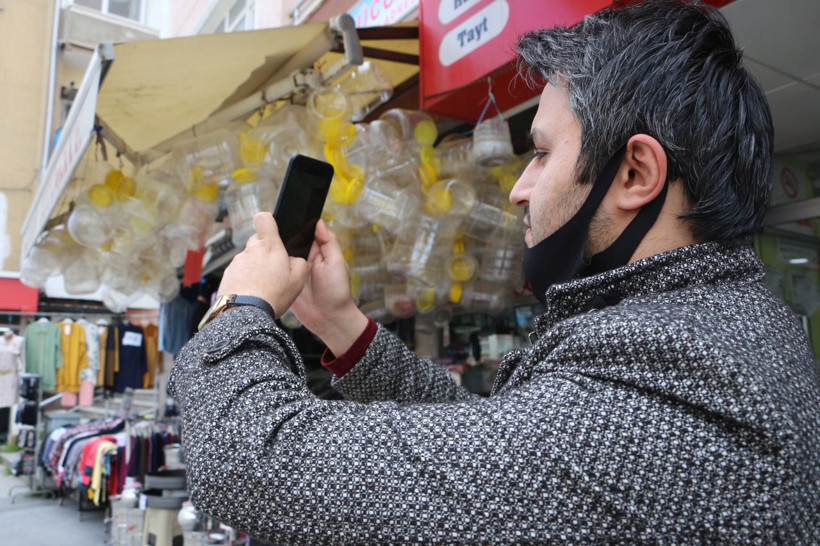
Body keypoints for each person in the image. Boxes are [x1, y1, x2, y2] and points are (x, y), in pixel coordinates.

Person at [168, 1, 820, 543]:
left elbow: (255, 467)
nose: (518, 189)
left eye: (539, 153)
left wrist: (240, 308)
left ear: (635, 174)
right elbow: (497, 445)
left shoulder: (676, 376)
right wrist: (342, 326)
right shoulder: (714, 328)